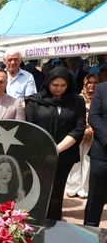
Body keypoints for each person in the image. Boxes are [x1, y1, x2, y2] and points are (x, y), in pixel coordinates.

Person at [25, 66, 86, 220]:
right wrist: (46, 149)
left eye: (63, 85)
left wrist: (57, 149)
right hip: (39, 154)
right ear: (48, 83)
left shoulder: (76, 101)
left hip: (64, 154)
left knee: (57, 192)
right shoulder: (35, 101)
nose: (59, 89)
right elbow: (30, 127)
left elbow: (79, 128)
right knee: (37, 189)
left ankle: (54, 223)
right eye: (55, 85)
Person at [67, 74, 99, 198]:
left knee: (87, 161)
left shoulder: (100, 97)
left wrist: (92, 130)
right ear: (84, 84)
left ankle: (84, 188)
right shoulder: (78, 98)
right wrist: (83, 130)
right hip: (79, 133)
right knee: (76, 160)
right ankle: (72, 186)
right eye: (89, 82)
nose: (92, 85)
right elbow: (73, 116)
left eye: (95, 82)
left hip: (93, 135)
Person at [85, 81, 107, 227]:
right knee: (95, 199)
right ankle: (89, 235)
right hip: (102, 154)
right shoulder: (102, 88)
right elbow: (94, 116)